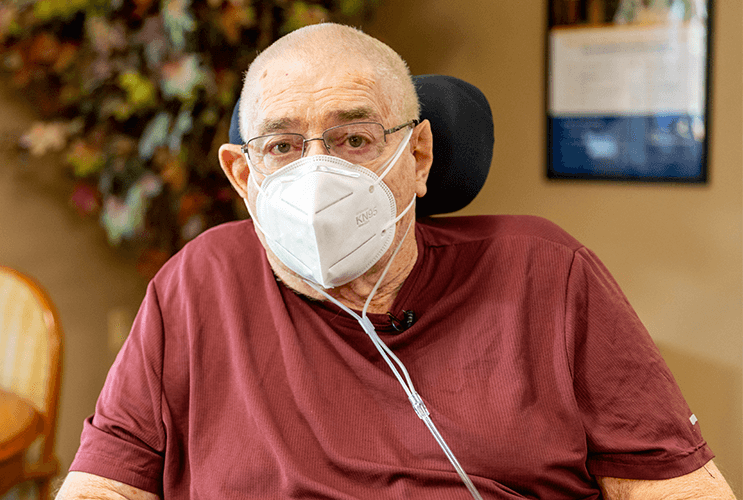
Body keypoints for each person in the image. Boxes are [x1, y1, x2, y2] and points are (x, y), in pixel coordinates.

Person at [57, 23, 735, 499]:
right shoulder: (198, 283)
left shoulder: (548, 274)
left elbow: (676, 488)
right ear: (243, 174)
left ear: (418, 156)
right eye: (283, 147)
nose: (317, 175)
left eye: (354, 139)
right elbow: (103, 484)